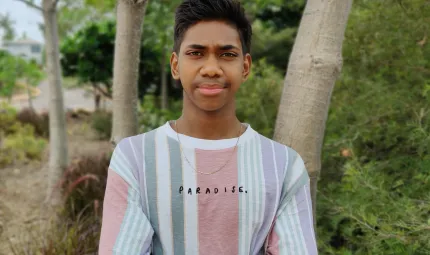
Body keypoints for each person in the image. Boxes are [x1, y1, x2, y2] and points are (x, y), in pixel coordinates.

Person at [98, 0, 318, 254]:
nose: (212, 68)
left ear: (245, 67)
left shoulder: (284, 166)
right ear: (175, 65)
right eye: (196, 53)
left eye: (227, 54)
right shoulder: (134, 159)